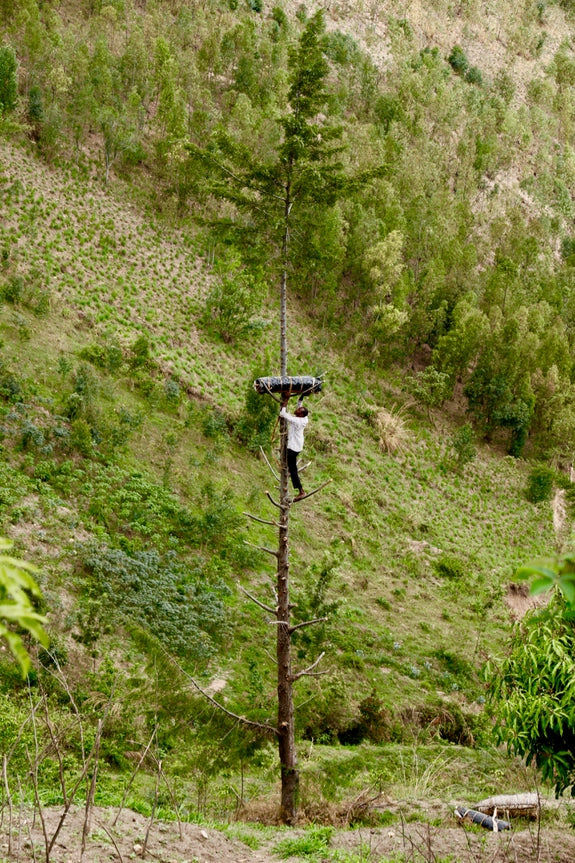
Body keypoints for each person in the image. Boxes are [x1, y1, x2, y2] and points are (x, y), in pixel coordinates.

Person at [280, 397, 309, 499]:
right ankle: (288, 469)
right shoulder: (304, 418)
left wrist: (286, 400)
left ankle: (301, 491)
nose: (297, 409)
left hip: (292, 448)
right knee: (292, 466)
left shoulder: (297, 421)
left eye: (298, 410)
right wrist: (301, 398)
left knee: (293, 470)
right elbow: (300, 407)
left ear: (300, 415)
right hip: (298, 446)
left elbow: (282, 414)